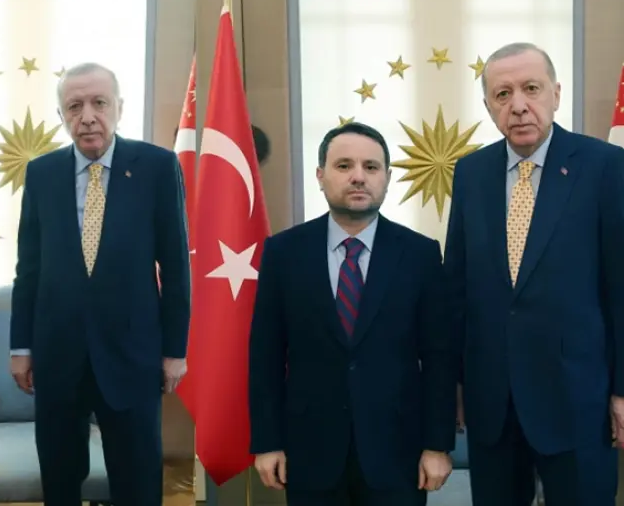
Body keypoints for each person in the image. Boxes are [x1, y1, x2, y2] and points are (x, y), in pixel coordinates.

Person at [445, 42, 624, 505]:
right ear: (489, 106)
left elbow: (620, 287)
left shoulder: (605, 167)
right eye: (503, 94)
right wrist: (455, 383)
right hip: (492, 405)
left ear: (556, 94)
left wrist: (622, 390)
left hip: (578, 402)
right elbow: (458, 288)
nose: (519, 105)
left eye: (531, 88)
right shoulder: (471, 173)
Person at [9, 62, 191, 506]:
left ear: (119, 108)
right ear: (61, 115)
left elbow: (174, 267)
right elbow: (28, 269)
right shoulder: (42, 173)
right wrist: (20, 348)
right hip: (58, 355)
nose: (88, 116)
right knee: (60, 478)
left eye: (99, 103)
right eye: (74, 106)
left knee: (137, 481)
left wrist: (175, 351)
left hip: (132, 355)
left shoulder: (156, 167)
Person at [249, 121, 457, 506]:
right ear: (320, 176)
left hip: (398, 454)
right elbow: (266, 355)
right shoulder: (283, 253)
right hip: (309, 452)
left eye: (371, 167)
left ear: (387, 178)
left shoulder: (420, 254)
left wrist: (438, 445)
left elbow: (439, 358)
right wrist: (267, 442)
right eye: (344, 166)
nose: (358, 177)